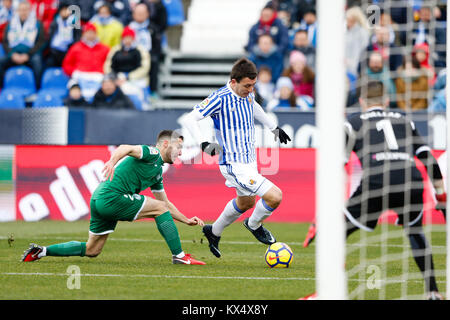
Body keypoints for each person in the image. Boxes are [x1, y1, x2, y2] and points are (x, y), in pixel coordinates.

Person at [303, 80, 446, 300]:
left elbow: (338, 169)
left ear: (361, 102)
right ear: (386, 101)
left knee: (337, 232)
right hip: (411, 180)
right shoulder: (404, 120)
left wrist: (323, 214)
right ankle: (433, 292)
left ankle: (326, 293)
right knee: (415, 231)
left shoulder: (353, 122)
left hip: (376, 181)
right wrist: (441, 197)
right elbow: (428, 159)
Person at [22, 130, 206, 265]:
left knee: (92, 250)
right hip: (112, 197)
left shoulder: (157, 171)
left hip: (99, 198)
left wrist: (186, 220)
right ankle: (180, 256)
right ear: (165, 144)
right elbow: (125, 148)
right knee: (159, 208)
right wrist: (111, 161)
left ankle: (41, 251)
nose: (180, 152)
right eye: (178, 147)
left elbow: (165, 203)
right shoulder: (153, 153)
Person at [183, 57, 291, 258]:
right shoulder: (220, 98)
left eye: (253, 85)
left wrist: (273, 127)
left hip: (250, 160)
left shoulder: (248, 94)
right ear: (233, 82)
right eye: (247, 85)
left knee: (246, 203)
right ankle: (254, 224)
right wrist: (203, 143)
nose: (251, 90)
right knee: (275, 196)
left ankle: (213, 231)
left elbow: (255, 107)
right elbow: (190, 117)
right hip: (234, 164)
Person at [0, 1, 45, 88]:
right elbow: (5, 42)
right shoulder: (10, 24)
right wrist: (12, 54)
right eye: (21, 10)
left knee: (37, 62)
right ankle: (2, 88)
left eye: (25, 10)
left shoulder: (37, 23)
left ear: (30, 10)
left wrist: (28, 55)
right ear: (17, 11)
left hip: (30, 54)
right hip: (14, 54)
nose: (23, 12)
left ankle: (38, 89)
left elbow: (41, 42)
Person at [62, 22, 110, 100]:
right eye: (88, 32)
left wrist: (104, 73)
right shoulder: (76, 47)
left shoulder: (105, 49)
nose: (90, 35)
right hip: (80, 77)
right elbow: (67, 64)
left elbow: (110, 64)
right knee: (74, 91)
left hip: (98, 78)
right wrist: (75, 73)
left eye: (92, 33)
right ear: (84, 34)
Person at [103, 26, 150, 103]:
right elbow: (108, 66)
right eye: (125, 38)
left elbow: (145, 68)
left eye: (130, 38)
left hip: (135, 78)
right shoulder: (116, 50)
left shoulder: (140, 50)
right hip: (117, 77)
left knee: (137, 91)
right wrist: (114, 78)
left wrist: (128, 77)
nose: (127, 40)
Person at [46, 0, 82, 68]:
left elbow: (77, 37)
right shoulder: (55, 22)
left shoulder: (74, 22)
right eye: (63, 10)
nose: (65, 12)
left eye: (67, 10)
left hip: (68, 51)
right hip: (55, 51)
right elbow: (50, 37)